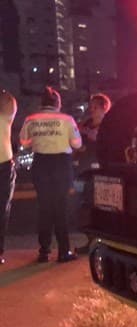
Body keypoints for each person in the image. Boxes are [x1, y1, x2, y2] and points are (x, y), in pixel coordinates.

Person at [19, 86, 82, 263]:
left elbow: (24, 141)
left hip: (41, 163)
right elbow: (77, 144)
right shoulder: (67, 119)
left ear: (42, 103)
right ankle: (63, 251)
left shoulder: (31, 119)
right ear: (57, 103)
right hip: (61, 164)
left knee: (44, 207)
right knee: (60, 207)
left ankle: (44, 251)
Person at [74, 93, 111, 254]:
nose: (92, 110)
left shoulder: (110, 127)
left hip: (102, 174)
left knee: (103, 210)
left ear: (105, 108)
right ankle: (90, 242)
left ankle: (105, 244)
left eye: (95, 107)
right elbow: (76, 144)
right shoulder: (84, 125)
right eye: (91, 107)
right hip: (84, 172)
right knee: (85, 208)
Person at [0, 89, 17, 265]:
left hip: (5, 166)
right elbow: (9, 102)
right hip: (4, 166)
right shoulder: (5, 117)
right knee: (2, 210)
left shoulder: (4, 116)